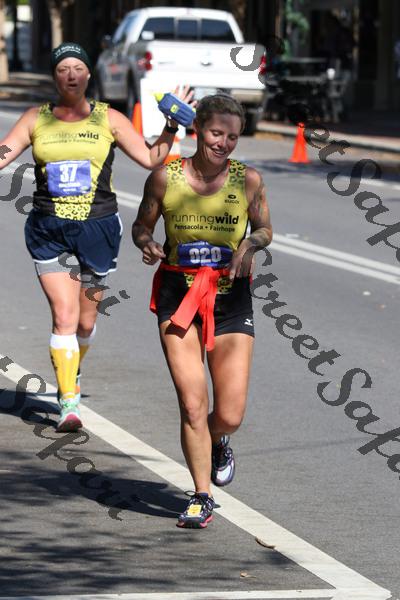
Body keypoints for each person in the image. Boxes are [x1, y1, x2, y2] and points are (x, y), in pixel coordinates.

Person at [0, 42, 193, 433]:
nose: (71, 75)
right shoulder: (36, 119)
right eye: (63, 69)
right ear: (54, 76)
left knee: (85, 323)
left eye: (78, 68)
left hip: (98, 228)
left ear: (89, 74)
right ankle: (68, 402)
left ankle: (72, 369)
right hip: (49, 228)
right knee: (64, 315)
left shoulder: (109, 118)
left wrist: (171, 127)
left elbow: (151, 158)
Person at [132, 93, 272, 529]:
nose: (223, 143)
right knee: (193, 403)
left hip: (230, 298)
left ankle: (218, 440)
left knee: (228, 413)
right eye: (216, 133)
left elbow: (265, 228)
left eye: (232, 137)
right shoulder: (164, 178)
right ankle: (200, 494)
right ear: (198, 130)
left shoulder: (248, 180)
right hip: (178, 298)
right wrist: (147, 243)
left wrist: (249, 244)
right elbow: (141, 225)